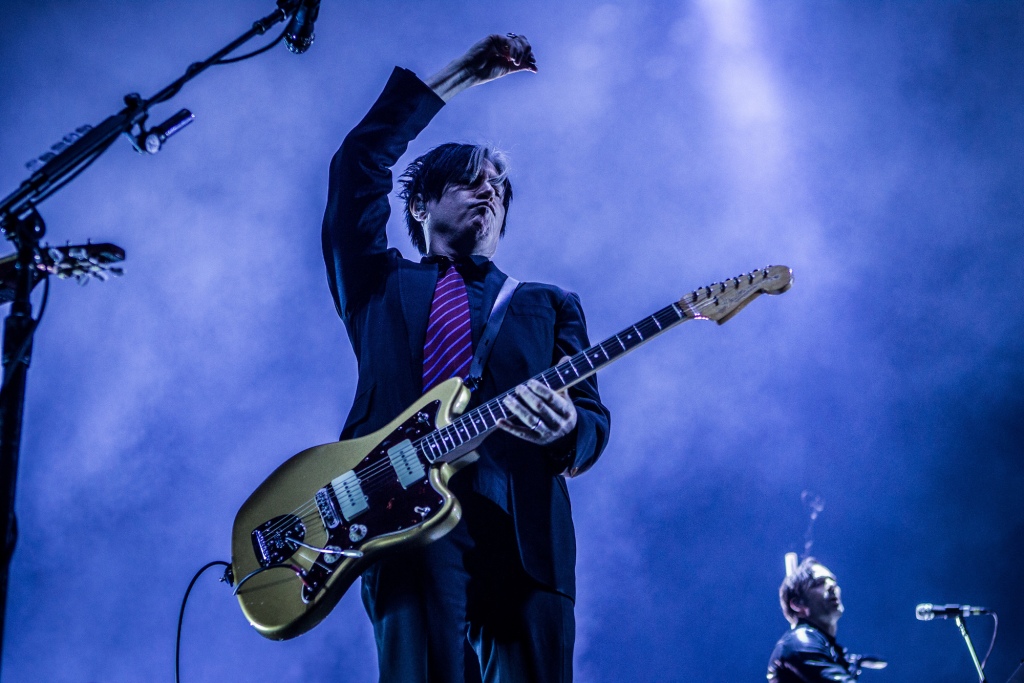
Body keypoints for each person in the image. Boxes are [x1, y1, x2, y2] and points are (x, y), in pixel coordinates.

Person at [321, 33, 611, 682]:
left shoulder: (547, 303)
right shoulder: (380, 283)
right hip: (399, 514)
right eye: (470, 181)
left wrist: (570, 427)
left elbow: (593, 424)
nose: (490, 192)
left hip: (525, 531)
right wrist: (460, 77)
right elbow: (357, 164)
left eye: (500, 190)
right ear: (420, 204)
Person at [768, 557, 860, 682]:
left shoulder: (827, 647)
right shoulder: (799, 642)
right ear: (797, 604)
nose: (832, 586)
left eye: (833, 580)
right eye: (819, 583)